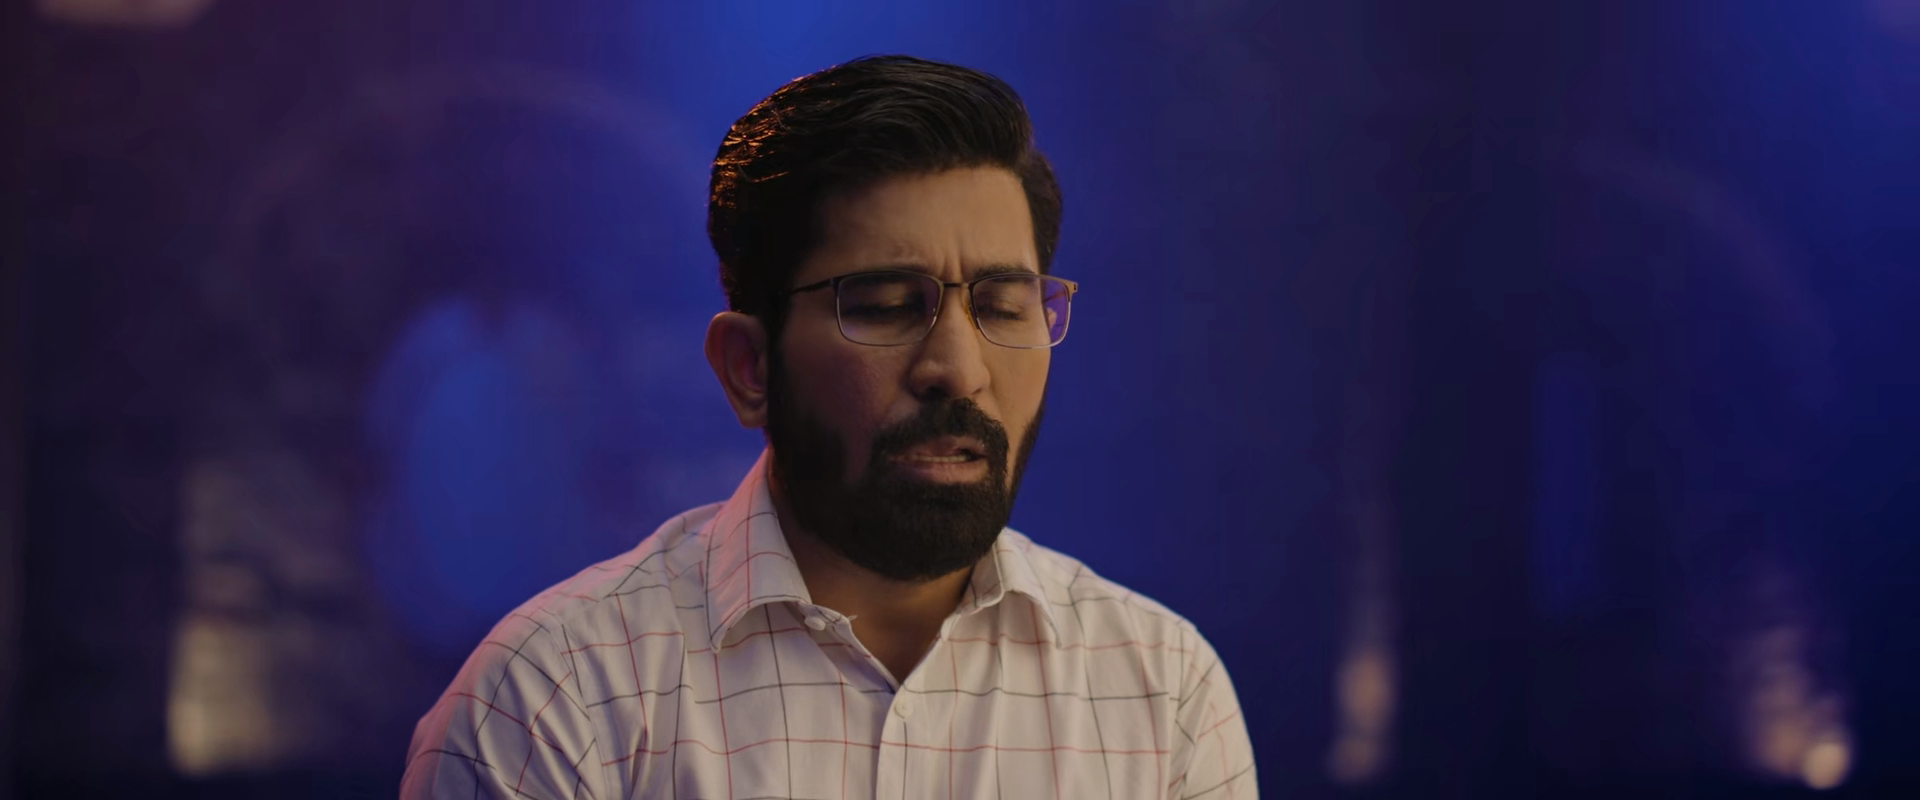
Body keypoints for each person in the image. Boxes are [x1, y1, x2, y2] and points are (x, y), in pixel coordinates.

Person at [401, 54, 1257, 799]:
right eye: (884, 306)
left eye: (1004, 306)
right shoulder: (557, 703)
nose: (959, 368)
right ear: (749, 367)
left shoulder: (1160, 688)